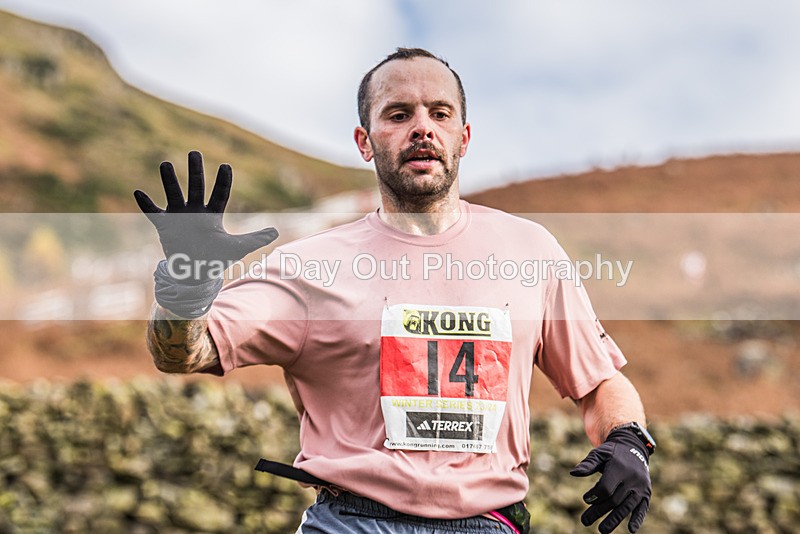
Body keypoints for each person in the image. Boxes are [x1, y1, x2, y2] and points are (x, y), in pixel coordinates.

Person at [134, 48, 654, 534]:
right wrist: (185, 286)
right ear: (365, 141)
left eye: (440, 113)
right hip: (350, 521)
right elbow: (187, 351)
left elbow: (598, 383)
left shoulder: (531, 251)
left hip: (488, 522)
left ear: (464, 137)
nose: (423, 128)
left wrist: (628, 438)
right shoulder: (309, 266)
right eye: (399, 114)